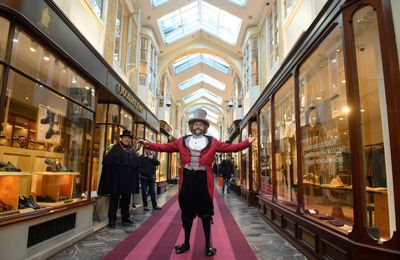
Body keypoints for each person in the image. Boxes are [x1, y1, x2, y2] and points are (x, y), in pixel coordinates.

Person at [140, 108, 255, 256]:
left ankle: (208, 245)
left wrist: (247, 143)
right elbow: (164, 147)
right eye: (196, 124)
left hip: (203, 182)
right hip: (187, 181)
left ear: (205, 127)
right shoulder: (181, 141)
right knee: (187, 214)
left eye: (201, 124)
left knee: (206, 215)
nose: (198, 126)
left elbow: (231, 147)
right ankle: (186, 243)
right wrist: (148, 145)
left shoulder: (213, 142)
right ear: (192, 126)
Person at [97, 129, 139, 228]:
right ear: (122, 138)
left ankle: (125, 217)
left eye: (128, 138)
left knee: (126, 200)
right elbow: (108, 164)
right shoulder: (115, 148)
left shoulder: (132, 150)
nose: (127, 139)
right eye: (125, 138)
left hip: (127, 182)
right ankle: (112, 219)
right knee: (114, 200)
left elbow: (135, 165)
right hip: (116, 181)